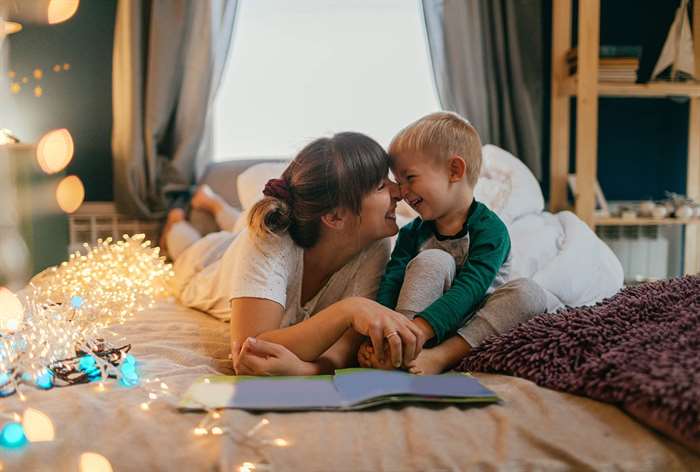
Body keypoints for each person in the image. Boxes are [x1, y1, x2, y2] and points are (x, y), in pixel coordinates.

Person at [162, 132, 426, 375]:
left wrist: (309, 370)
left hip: (254, 241)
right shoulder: (269, 237)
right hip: (209, 261)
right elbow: (250, 348)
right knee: (187, 246)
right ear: (334, 216)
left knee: (242, 224)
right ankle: (176, 219)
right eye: (381, 186)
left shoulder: (374, 244)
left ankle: (214, 204)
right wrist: (349, 309)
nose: (398, 192)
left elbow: (345, 346)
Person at [358, 112, 548, 374]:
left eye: (409, 178)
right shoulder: (412, 232)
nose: (401, 192)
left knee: (530, 293)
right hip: (411, 326)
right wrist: (380, 332)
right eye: (398, 182)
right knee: (434, 259)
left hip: (471, 326)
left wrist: (421, 330)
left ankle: (441, 356)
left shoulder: (491, 230)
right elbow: (391, 280)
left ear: (454, 170)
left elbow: (472, 287)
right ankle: (399, 347)